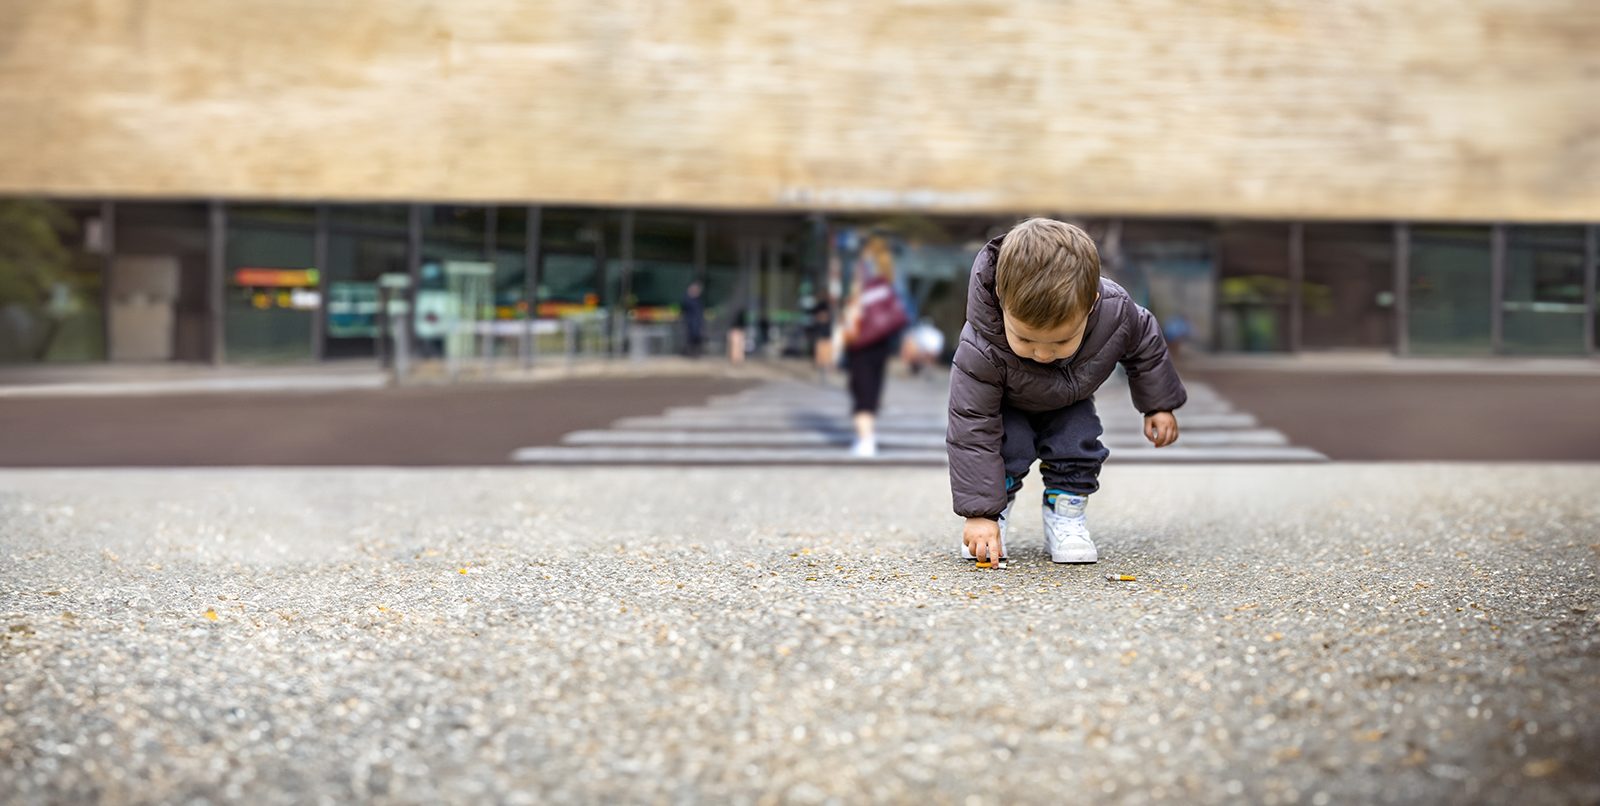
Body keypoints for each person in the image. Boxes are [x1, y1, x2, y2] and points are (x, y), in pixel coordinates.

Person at [947, 218, 1185, 566]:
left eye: (1061, 341)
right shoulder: (981, 346)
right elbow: (970, 427)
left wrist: (1158, 405)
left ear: (1090, 305)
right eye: (1025, 339)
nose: (1043, 354)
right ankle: (992, 522)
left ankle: (1066, 514)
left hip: (1069, 400)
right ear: (1002, 300)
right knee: (1004, 450)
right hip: (1005, 405)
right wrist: (978, 512)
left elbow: (1145, 343)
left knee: (1078, 446)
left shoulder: (1116, 312)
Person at [840, 236, 907, 458]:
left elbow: (855, 308)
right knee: (872, 387)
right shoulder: (888, 277)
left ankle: (866, 440)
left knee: (861, 390)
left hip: (862, 341)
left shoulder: (864, 274)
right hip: (881, 341)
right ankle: (867, 435)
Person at [680, 281, 705, 358]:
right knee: (690, 338)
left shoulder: (698, 300)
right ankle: (689, 353)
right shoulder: (687, 299)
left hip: (697, 322)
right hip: (690, 322)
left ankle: (695, 353)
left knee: (697, 338)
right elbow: (684, 309)